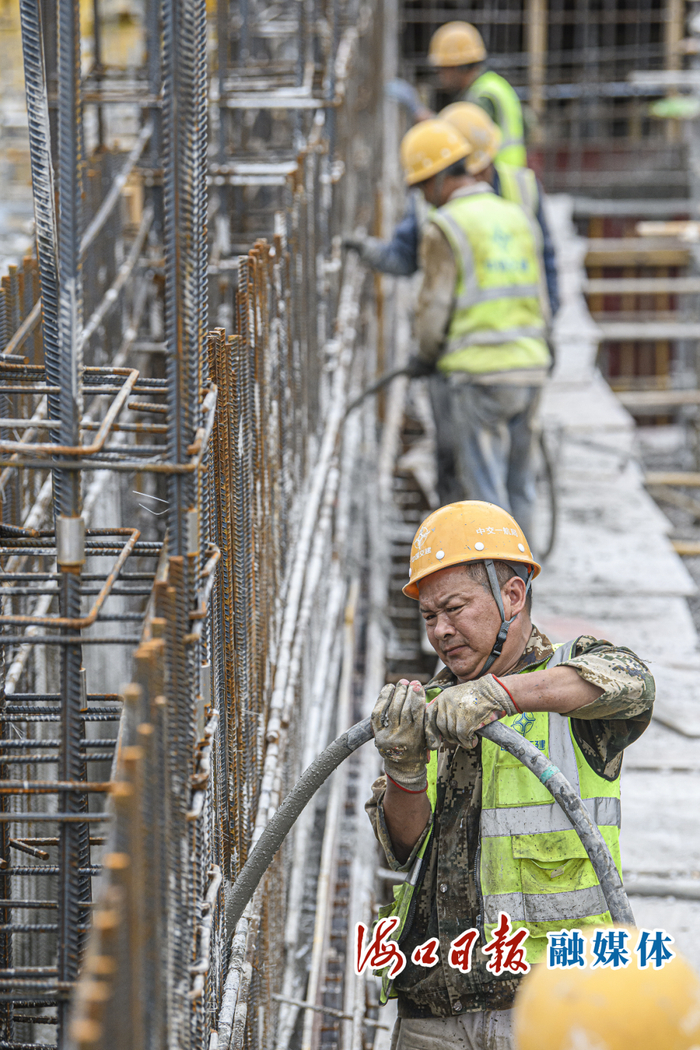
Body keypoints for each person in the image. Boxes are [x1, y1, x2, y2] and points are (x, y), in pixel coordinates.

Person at [366, 500, 655, 1050]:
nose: (442, 631)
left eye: (454, 608)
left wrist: (501, 695)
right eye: (429, 617)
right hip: (437, 1001)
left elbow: (633, 683)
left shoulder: (567, 679)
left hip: (555, 1001)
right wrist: (403, 770)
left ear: (513, 596)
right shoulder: (429, 708)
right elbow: (402, 848)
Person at [399, 118, 550, 538]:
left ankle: (497, 597)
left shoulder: (445, 226)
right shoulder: (517, 215)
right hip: (530, 367)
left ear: (438, 179)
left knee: (487, 502)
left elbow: (433, 309)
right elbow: (541, 297)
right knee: (521, 488)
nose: (423, 198)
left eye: (421, 187)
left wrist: (424, 357)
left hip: (480, 375)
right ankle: (522, 596)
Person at [345, 103, 559, 318]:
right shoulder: (424, 202)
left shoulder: (523, 188)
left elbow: (545, 259)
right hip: (463, 332)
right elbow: (405, 257)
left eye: (482, 169)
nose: (474, 180)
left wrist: (549, 318)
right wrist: (368, 250)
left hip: (522, 326)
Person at [428, 22, 527, 167]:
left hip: (493, 176)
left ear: (459, 67)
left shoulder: (480, 96)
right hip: (511, 175)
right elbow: (528, 123)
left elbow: (459, 137)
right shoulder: (495, 84)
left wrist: (424, 117)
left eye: (442, 69)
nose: (440, 76)